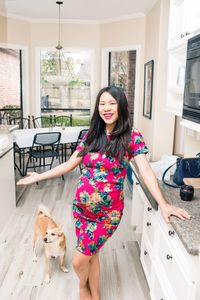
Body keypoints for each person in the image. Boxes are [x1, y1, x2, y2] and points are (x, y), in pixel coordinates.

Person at [17, 86, 191, 300]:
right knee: (93, 255)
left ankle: (83, 287)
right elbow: (71, 164)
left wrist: (164, 204)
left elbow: (145, 170)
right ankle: (96, 295)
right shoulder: (92, 135)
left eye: (111, 103)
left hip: (107, 215)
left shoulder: (131, 136)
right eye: (102, 103)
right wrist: (39, 177)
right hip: (81, 210)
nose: (106, 108)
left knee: (79, 260)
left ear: (121, 107)